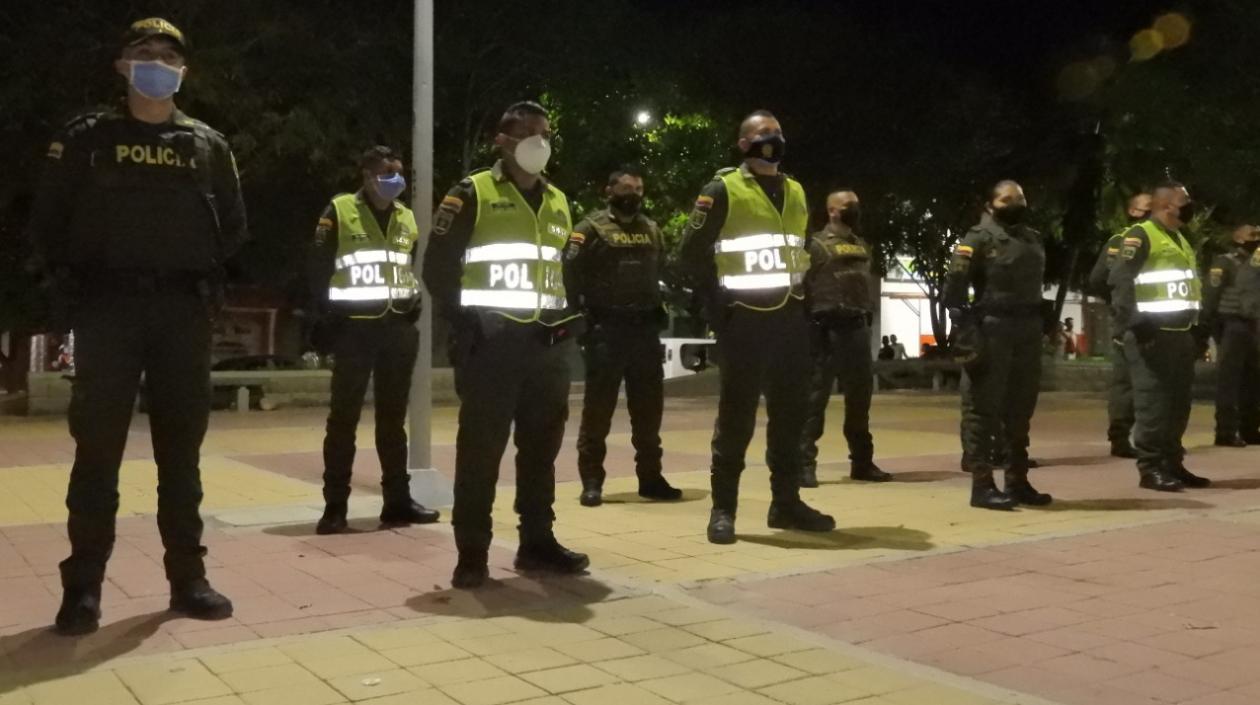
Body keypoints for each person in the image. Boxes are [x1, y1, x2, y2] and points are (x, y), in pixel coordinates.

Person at [27, 18, 248, 635]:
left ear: (184, 72)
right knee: (97, 454)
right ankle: (84, 590)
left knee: (183, 456)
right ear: (122, 66)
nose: (156, 61)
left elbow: (231, 228)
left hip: (182, 314)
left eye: (168, 54)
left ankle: (188, 579)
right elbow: (47, 223)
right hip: (107, 312)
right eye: (143, 52)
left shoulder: (208, 145)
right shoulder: (85, 139)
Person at [423, 101, 589, 588]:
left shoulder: (558, 199)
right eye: (528, 132)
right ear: (503, 140)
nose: (539, 141)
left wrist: (570, 320)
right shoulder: (471, 193)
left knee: (541, 452)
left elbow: (561, 271)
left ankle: (537, 543)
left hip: (546, 349)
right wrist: (466, 323)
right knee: (481, 454)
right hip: (491, 347)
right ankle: (471, 554)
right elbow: (437, 267)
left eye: (545, 133)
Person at [677, 110, 835, 544]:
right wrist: (719, 305)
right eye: (763, 133)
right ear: (744, 143)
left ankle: (786, 504)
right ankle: (723, 511)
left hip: (790, 319)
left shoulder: (798, 191)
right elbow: (690, 253)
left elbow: (799, 251)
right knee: (736, 419)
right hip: (743, 319)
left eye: (778, 132)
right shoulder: (723, 188)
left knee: (790, 417)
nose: (773, 139)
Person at [307, 146, 440, 534]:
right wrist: (327, 318)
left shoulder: (406, 217)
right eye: (386, 171)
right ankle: (335, 508)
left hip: (397, 329)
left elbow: (407, 264)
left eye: (398, 171)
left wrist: (412, 301)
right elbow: (318, 267)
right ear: (366, 174)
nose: (395, 178)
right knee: (343, 420)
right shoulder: (341, 210)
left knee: (392, 422)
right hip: (353, 330)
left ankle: (397, 503)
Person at [565, 167, 682, 507]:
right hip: (606, 331)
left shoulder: (652, 230)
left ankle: (650, 477)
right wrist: (580, 320)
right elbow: (570, 277)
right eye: (627, 187)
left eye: (639, 188)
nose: (634, 193)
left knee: (649, 411)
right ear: (609, 190)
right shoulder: (590, 229)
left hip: (644, 331)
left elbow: (662, 272)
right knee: (598, 410)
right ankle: (591, 481)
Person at [945, 180, 1050, 510]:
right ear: (991, 205)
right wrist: (966, 334)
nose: (1016, 202)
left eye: (1020, 197)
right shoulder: (977, 239)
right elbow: (955, 291)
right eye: (1008, 199)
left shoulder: (1032, 238)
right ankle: (982, 485)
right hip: (993, 330)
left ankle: (1017, 481)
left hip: (1028, 331)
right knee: (982, 409)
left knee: (1021, 409)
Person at [1108, 182, 1211, 491]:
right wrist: (1138, 325)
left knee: (1177, 404)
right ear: (1167, 205)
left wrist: (1198, 329)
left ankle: (1172, 463)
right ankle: (1150, 467)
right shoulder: (1141, 235)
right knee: (1153, 403)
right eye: (1185, 201)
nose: (1190, 205)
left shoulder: (1178, 237)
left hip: (1179, 334)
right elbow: (1120, 282)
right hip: (1152, 335)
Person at [798, 190, 889, 487]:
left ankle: (862, 462)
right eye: (848, 206)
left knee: (860, 400)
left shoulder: (861, 245)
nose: (854, 209)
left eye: (856, 205)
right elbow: (801, 288)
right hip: (823, 328)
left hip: (856, 328)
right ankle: (804, 464)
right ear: (832, 211)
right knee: (814, 399)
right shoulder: (814, 245)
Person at [1086, 193, 1151, 458]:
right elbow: (1099, 279)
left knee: (1139, 383)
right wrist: (1119, 304)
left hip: (1147, 320)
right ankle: (1125, 438)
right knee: (1129, 382)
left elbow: (1098, 280)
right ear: (1132, 211)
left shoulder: (1119, 241)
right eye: (1147, 208)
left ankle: (1133, 438)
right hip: (1135, 320)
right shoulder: (1131, 240)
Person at [1201, 224, 1260, 447]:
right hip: (1231, 323)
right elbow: (1211, 294)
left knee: (1252, 379)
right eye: (1252, 235)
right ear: (1237, 237)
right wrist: (1210, 324)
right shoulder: (1224, 262)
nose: (1256, 238)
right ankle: (1225, 431)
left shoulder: (1256, 262)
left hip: (1252, 324)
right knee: (1229, 380)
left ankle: (1250, 428)